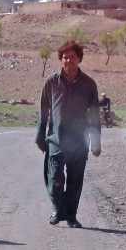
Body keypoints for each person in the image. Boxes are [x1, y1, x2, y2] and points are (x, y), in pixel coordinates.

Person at [36, 40, 102, 228]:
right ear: (60, 60)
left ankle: (71, 216)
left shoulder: (89, 84)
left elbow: (94, 115)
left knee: (75, 181)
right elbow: (43, 111)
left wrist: (96, 141)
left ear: (79, 59)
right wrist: (40, 136)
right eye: (65, 57)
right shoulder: (51, 82)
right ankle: (59, 209)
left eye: (72, 57)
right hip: (56, 139)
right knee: (54, 178)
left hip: (79, 140)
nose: (68, 60)